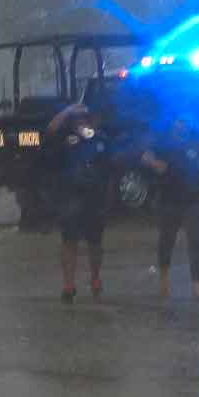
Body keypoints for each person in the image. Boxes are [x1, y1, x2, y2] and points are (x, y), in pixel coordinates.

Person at [141, 116, 199, 300]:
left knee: (196, 241)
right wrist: (153, 163)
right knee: (166, 241)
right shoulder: (163, 142)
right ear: (172, 124)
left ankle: (197, 286)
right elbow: (145, 155)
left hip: (194, 200)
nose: (181, 125)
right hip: (169, 200)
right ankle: (164, 281)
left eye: (184, 122)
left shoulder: (197, 142)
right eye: (178, 122)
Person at [46, 104, 111, 302]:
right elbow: (50, 131)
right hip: (70, 196)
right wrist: (67, 110)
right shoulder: (64, 140)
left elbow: (110, 170)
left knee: (95, 244)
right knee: (69, 241)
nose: (81, 123)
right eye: (77, 120)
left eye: (84, 119)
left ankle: (95, 278)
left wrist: (108, 198)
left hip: (94, 197)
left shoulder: (100, 140)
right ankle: (69, 284)